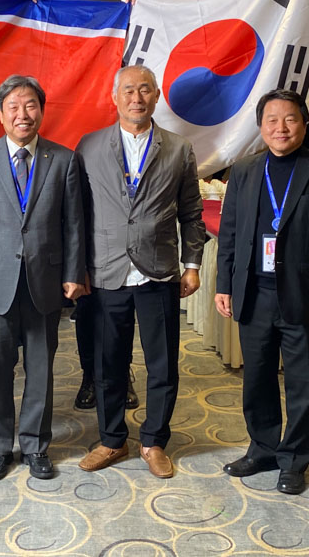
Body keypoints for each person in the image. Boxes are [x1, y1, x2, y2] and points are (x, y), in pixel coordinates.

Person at [75, 64, 206, 479]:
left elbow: (191, 212)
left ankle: (154, 441)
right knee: (107, 364)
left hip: (159, 273)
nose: (137, 97)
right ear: (114, 96)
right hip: (105, 273)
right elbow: (77, 215)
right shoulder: (89, 146)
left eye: (145, 89)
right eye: (129, 90)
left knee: (162, 365)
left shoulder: (178, 148)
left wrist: (192, 265)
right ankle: (112, 439)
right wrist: (78, 269)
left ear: (156, 95)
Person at [214, 89, 309, 495]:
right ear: (260, 126)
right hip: (254, 292)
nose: (281, 128)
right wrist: (224, 284)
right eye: (271, 120)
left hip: (303, 297)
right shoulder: (244, 170)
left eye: (290, 119)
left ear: (304, 123)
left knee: (301, 383)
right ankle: (263, 449)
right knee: (256, 378)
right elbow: (230, 233)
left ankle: (294, 460)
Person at [0, 75, 86, 481]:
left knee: (41, 369)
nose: (22, 114)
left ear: (41, 111)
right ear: (0, 114)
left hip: (45, 281)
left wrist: (73, 273)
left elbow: (73, 224)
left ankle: (35, 445)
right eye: (13, 106)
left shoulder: (63, 160)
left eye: (30, 105)